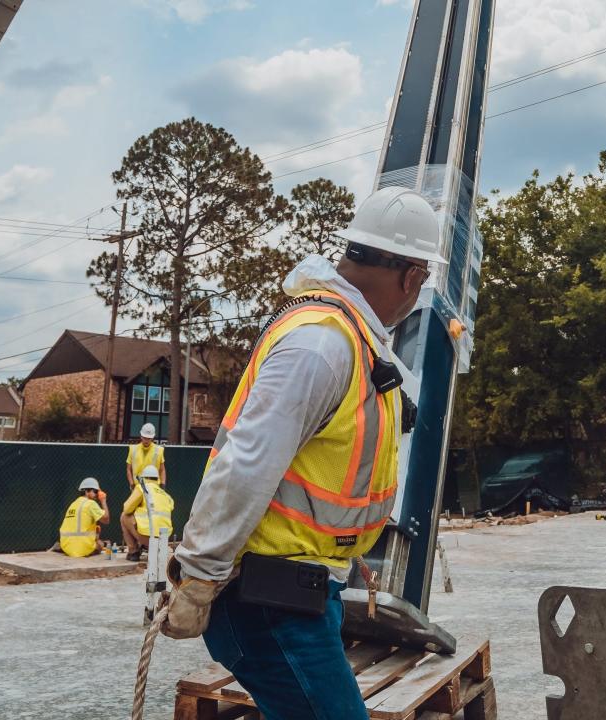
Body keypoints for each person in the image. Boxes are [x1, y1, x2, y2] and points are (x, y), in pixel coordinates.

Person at [160, 187, 440, 720]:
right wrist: (197, 576)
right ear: (411, 277)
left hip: (301, 593)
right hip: (267, 603)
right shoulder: (322, 345)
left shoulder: (349, 338)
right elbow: (245, 464)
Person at [121, 464, 174, 562]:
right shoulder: (165, 494)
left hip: (148, 538)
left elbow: (127, 508)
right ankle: (148, 547)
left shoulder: (142, 488)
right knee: (149, 519)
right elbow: (169, 507)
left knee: (124, 516)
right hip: (164, 540)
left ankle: (133, 552)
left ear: (144, 477)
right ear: (157, 479)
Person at [58, 477, 111, 557]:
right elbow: (106, 520)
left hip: (66, 547)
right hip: (82, 549)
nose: (97, 494)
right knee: (102, 544)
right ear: (86, 491)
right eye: (95, 491)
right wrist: (103, 501)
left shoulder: (73, 504)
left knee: (96, 533)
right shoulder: (90, 504)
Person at [126, 422, 166, 488]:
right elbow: (128, 469)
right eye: (145, 438)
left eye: (148, 438)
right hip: (137, 487)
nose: (146, 440)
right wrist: (132, 484)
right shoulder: (133, 449)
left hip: (154, 487)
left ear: (152, 438)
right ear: (141, 436)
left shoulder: (159, 450)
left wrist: (163, 484)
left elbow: (162, 470)